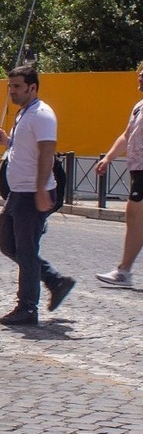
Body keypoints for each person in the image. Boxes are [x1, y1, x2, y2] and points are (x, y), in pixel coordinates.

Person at [0, 64, 74, 325]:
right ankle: (54, 279)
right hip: (18, 193)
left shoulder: (42, 114)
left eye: (16, 86)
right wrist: (7, 141)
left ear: (32, 87)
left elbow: (47, 153)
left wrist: (41, 190)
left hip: (31, 193)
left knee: (26, 250)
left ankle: (27, 308)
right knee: (9, 245)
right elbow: (23, 148)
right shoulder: (24, 114)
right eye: (10, 86)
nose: (11, 91)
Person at [94, 62, 143, 288]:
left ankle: (124, 271)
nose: (140, 76)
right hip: (137, 167)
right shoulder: (138, 106)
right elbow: (126, 135)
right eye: (140, 73)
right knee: (135, 218)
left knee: (134, 216)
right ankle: (124, 271)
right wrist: (108, 157)